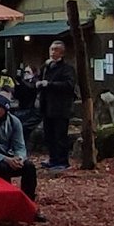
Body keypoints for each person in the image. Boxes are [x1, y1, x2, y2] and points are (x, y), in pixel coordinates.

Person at [37, 40, 77, 170]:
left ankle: (62, 161)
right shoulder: (45, 67)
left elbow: (69, 85)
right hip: (47, 106)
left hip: (60, 107)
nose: (53, 52)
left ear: (62, 53)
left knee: (60, 135)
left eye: (56, 50)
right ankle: (53, 159)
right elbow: (39, 79)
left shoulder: (67, 69)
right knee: (49, 135)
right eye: (51, 49)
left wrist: (49, 84)